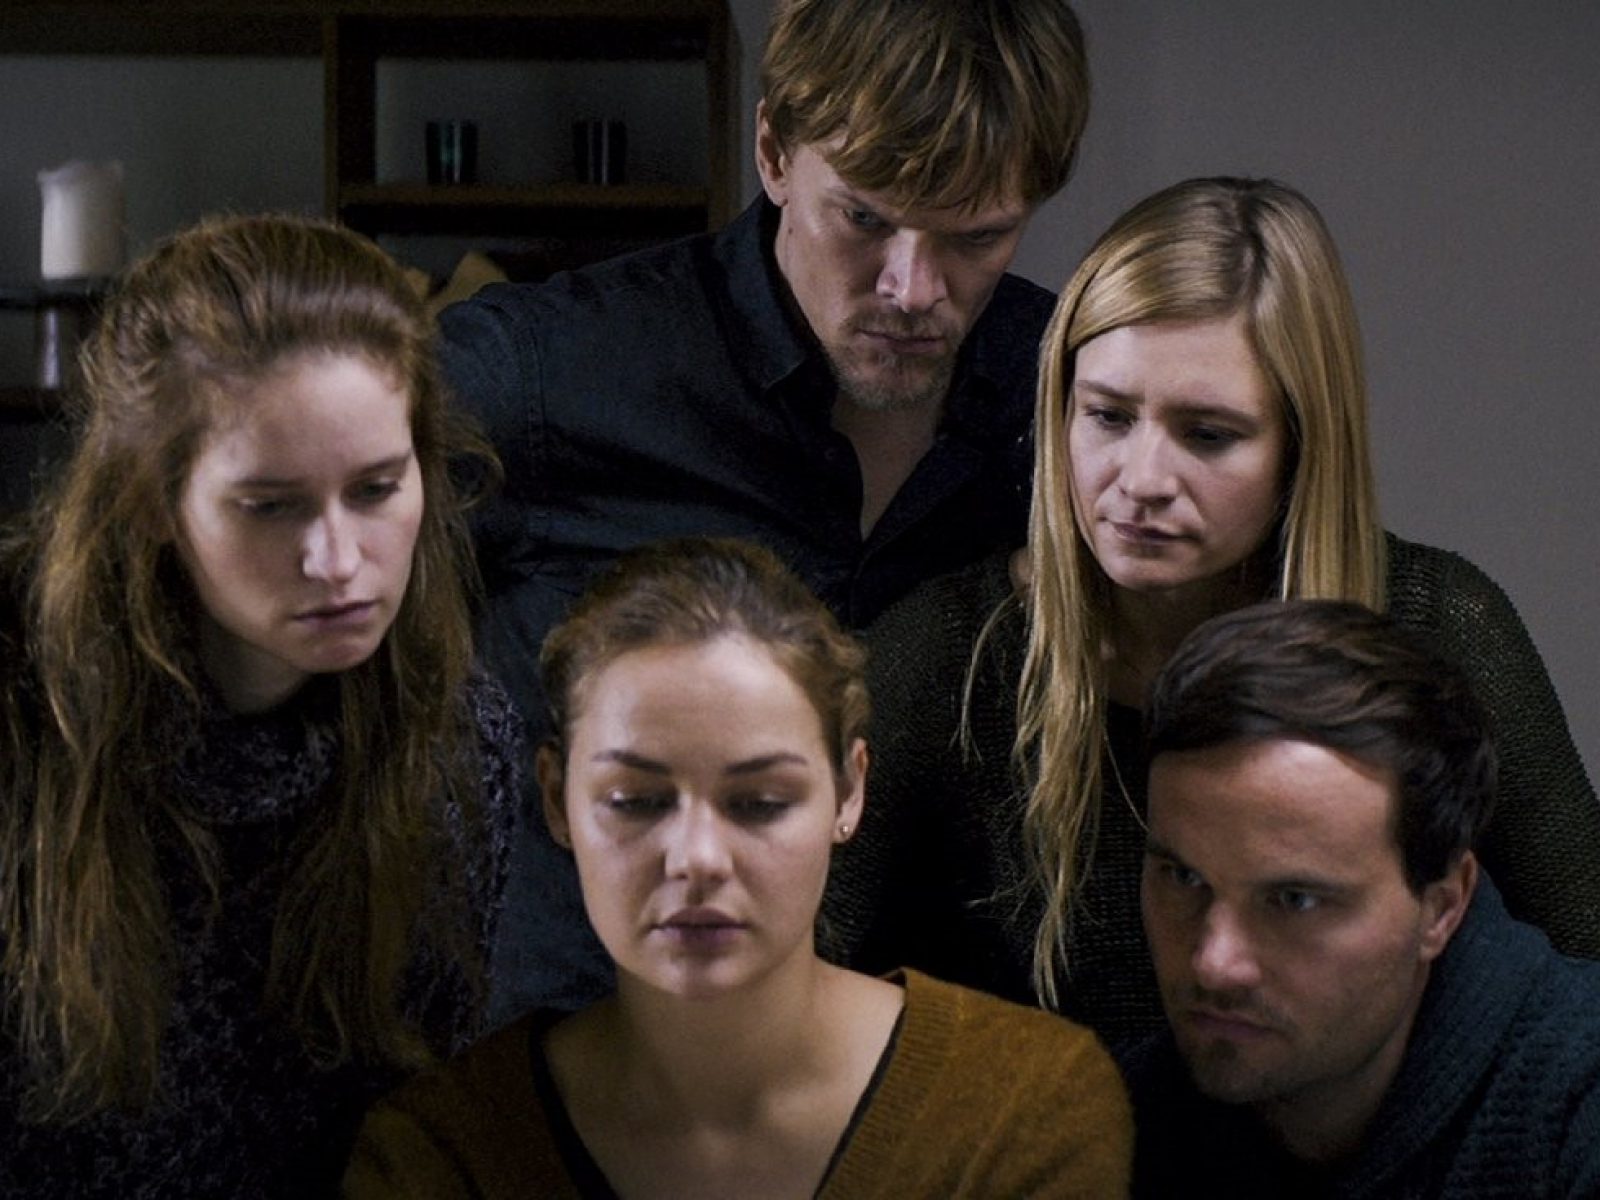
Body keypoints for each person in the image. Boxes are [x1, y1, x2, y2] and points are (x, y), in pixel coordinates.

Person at [830, 176, 1600, 1046]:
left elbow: (1587, 959)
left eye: (1207, 434)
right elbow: (791, 973)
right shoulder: (949, 654)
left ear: (1299, 446)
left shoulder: (1440, 625)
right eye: (1107, 416)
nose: (1142, 480)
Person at [441, 0, 1091, 1019]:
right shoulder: (549, 372)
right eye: (864, 219)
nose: (912, 289)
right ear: (775, 152)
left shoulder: (1072, 399)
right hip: (572, 1057)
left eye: (977, 235)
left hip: (927, 1071)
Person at [344, 538, 1131, 1199]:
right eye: (636, 801)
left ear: (849, 792)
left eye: (759, 803)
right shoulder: (441, 1154)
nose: (697, 859)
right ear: (556, 799)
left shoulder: (1022, 1110)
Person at [0, 214, 522, 1197]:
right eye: (271, 505)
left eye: (376, 489)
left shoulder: (454, 744)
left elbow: (405, 1131)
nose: (338, 561)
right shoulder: (24, 716)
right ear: (153, 499)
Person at [1123, 599, 1600, 1198]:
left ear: (1442, 908)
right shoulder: (1115, 1125)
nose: (1215, 965)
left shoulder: (1576, 1106)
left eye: (1295, 900)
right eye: (1184, 878)